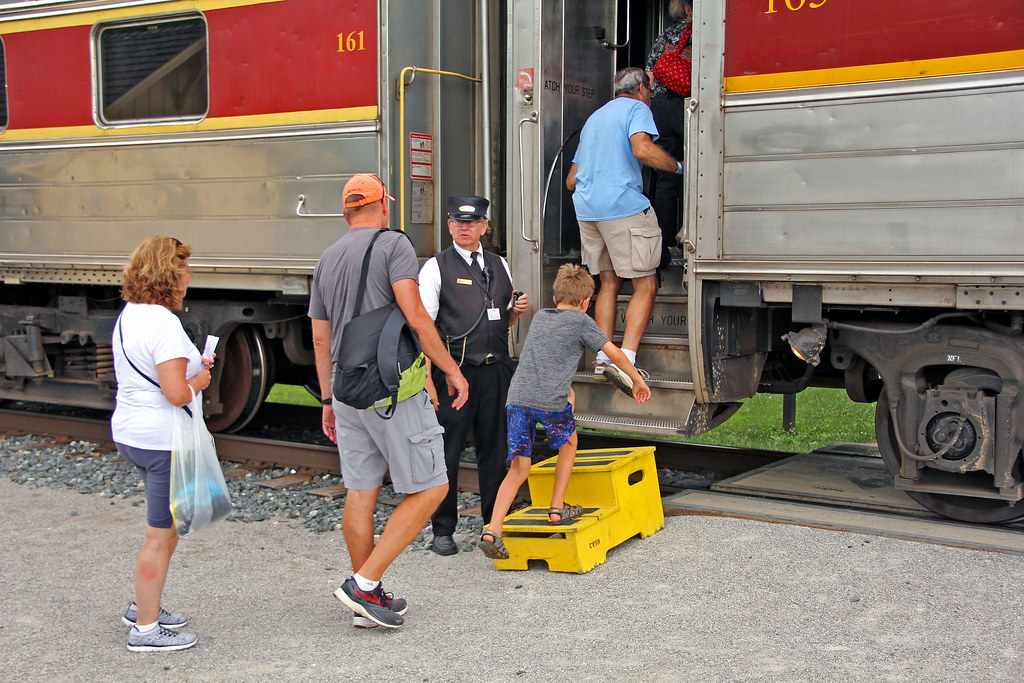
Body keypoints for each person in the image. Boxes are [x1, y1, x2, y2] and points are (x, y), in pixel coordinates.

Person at [309, 173, 470, 630]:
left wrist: (325, 398)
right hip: (390, 390)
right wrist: (450, 371)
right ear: (382, 207)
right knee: (433, 486)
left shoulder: (326, 258)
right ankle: (364, 583)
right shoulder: (393, 245)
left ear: (346, 212)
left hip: (345, 390)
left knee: (361, 491)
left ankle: (369, 596)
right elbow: (416, 316)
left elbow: (321, 339)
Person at [478, 264, 650, 560]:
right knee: (569, 444)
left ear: (555, 297)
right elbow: (614, 354)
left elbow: (546, 360)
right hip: (551, 403)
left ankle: (492, 530)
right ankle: (557, 509)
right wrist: (637, 380)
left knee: (519, 468)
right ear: (586, 303)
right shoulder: (582, 323)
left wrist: (568, 390)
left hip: (518, 399)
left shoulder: (542, 317)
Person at [111, 236, 214, 652]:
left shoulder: (129, 315)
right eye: (184, 269)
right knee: (158, 534)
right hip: (162, 440)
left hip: (131, 432)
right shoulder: (163, 322)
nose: (189, 277)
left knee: (166, 527)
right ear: (169, 275)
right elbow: (175, 393)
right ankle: (146, 629)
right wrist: (199, 380)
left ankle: (144, 607)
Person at [418, 195, 530, 556]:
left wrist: (515, 312)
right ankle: (443, 530)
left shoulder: (500, 264)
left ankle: (492, 525)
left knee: (495, 451)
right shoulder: (436, 267)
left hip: (495, 371)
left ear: (485, 227)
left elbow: (504, 318)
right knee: (446, 452)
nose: (464, 228)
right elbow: (424, 328)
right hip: (455, 375)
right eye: (457, 222)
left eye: (472, 222)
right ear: (450, 226)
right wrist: (428, 379)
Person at [566, 67, 682, 389]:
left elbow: (571, 181)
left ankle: (603, 357)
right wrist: (678, 167)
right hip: (621, 206)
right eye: (651, 90)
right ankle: (626, 360)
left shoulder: (594, 119)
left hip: (588, 211)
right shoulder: (637, 109)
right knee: (646, 284)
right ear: (642, 88)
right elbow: (642, 149)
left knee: (608, 282)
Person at [645, 0, 694, 268]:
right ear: (689, 9)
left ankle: (663, 249)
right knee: (699, 170)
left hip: (660, 106)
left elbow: (649, 75)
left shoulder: (665, 35)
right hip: (687, 104)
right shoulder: (704, 32)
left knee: (667, 177)